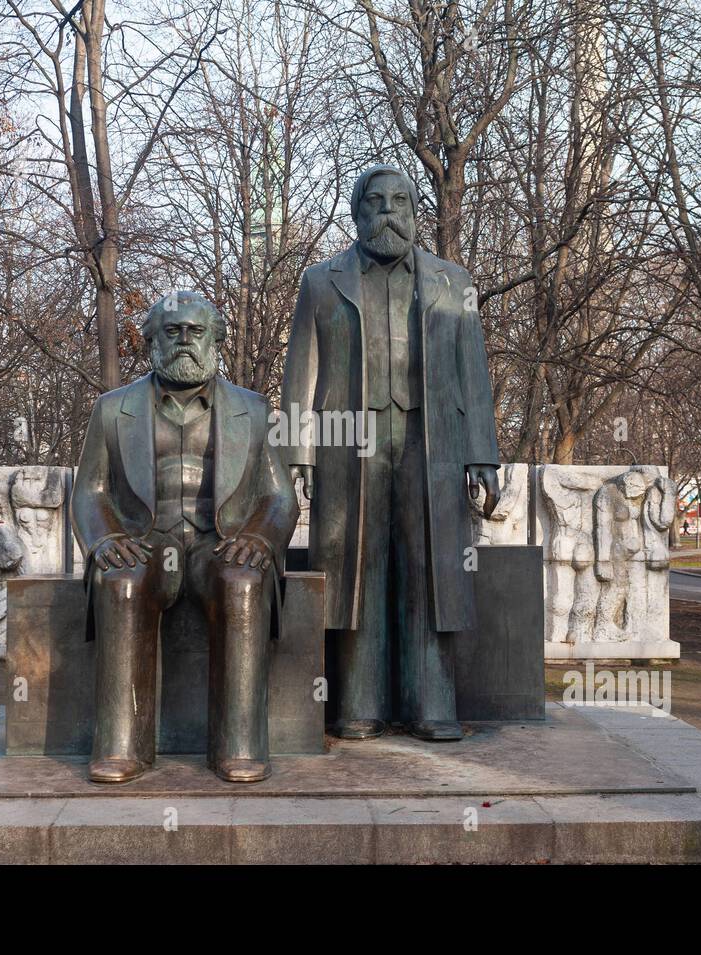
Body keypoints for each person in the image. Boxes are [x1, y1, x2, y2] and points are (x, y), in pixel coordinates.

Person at [281, 165, 501, 742]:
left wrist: (482, 453)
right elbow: (302, 366)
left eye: (398, 202)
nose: (387, 212)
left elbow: (473, 372)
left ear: (414, 212)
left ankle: (432, 703)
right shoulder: (321, 281)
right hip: (346, 440)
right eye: (374, 202)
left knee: (431, 567)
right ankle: (359, 704)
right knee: (357, 565)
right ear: (357, 214)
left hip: (434, 440)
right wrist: (299, 451)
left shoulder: (454, 282)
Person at [70, 291, 298, 785]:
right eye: (172, 331)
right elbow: (89, 491)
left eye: (196, 331)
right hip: (146, 540)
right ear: (151, 340)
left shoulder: (253, 409)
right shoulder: (112, 408)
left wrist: (260, 539)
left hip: (220, 541)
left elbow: (279, 497)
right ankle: (121, 746)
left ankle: (239, 745)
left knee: (242, 580)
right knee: (122, 580)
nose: (185, 341)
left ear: (215, 339)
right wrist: (105, 539)